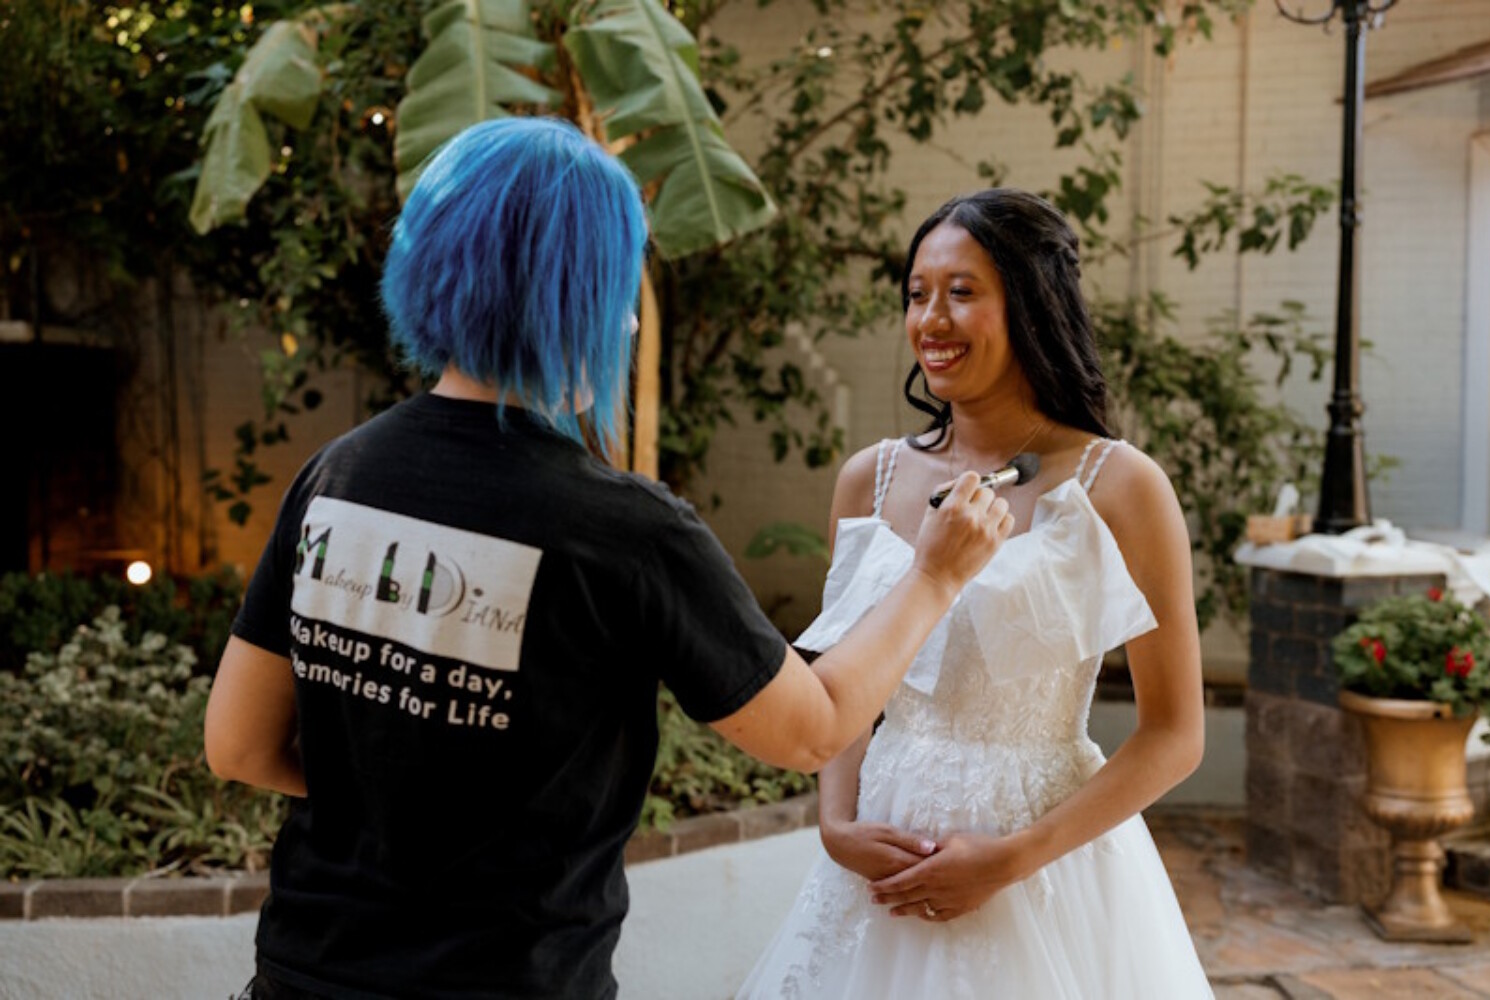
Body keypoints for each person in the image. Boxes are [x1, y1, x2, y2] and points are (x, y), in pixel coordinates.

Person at [202, 118, 1012, 1000]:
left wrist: (401, 792)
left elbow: (238, 746)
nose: (627, 318)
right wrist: (934, 576)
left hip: (298, 978)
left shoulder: (336, 476)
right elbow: (811, 728)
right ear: (573, 297)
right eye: (620, 289)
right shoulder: (621, 530)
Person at [737, 188, 1213, 998]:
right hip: (878, 855)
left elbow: (1175, 735)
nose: (931, 319)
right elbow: (843, 689)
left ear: (1031, 304)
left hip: (1041, 861)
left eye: (962, 292)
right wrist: (836, 824)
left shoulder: (1121, 485)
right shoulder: (870, 478)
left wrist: (1013, 858)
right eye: (917, 294)